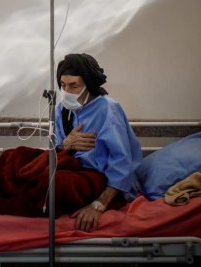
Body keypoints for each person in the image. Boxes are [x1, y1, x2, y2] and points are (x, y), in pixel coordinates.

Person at [54, 53, 143, 232]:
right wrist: (66, 145)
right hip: (72, 169)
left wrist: (98, 204)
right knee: (19, 161)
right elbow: (56, 150)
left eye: (74, 86)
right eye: (63, 86)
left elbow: (122, 162)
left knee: (55, 185)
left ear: (88, 84)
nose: (67, 92)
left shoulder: (108, 109)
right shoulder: (61, 110)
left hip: (102, 180)